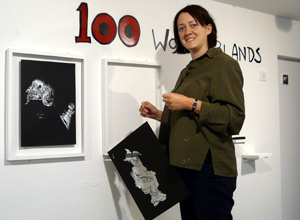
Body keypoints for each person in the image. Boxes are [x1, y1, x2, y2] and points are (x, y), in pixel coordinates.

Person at [139, 4, 245, 220]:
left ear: (208, 28)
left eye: (193, 25)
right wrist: (159, 114)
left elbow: (234, 118)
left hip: (210, 169)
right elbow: (189, 120)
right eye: (180, 28)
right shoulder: (187, 70)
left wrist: (190, 103)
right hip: (185, 166)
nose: (186, 32)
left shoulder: (224, 64)